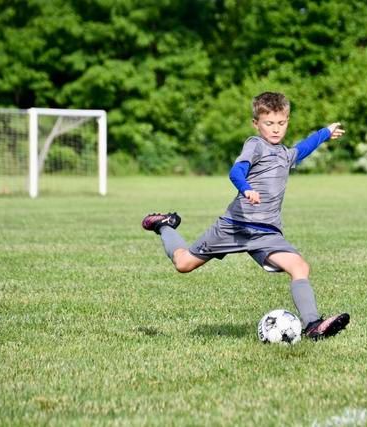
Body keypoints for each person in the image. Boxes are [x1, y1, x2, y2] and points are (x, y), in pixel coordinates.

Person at [142, 91, 350, 338]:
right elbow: (236, 171)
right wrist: (247, 188)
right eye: (268, 123)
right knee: (184, 263)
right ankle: (164, 225)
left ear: (287, 121)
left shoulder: (285, 154)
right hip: (235, 226)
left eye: (281, 123)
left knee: (300, 266)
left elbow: (303, 148)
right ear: (256, 123)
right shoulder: (255, 145)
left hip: (267, 233)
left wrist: (325, 133)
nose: (275, 129)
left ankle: (313, 325)